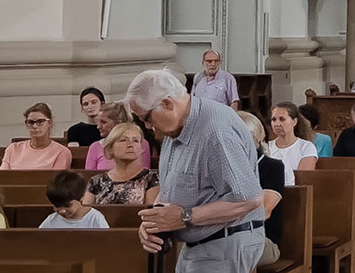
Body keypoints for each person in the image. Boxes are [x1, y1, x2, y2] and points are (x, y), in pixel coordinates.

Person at [126, 67, 269, 270]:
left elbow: (248, 199)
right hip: (200, 244)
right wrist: (155, 221)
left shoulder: (216, 130)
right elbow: (171, 187)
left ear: (167, 103)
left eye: (146, 118)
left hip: (225, 242)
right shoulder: (176, 129)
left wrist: (184, 216)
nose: (147, 126)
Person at [237, 113, 286, 270]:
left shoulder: (272, 167)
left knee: (227, 248)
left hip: (261, 238)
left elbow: (263, 211)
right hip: (224, 235)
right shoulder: (220, 165)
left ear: (253, 139)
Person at [84, 122, 160, 207]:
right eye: (124, 140)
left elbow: (151, 213)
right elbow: (85, 215)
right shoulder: (96, 181)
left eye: (135, 140)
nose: (130, 145)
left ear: (141, 149)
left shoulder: (152, 178)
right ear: (110, 149)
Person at [3, 102, 74, 170]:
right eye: (30, 122)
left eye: (40, 122)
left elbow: (57, 181)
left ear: (50, 123)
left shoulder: (61, 152)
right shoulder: (12, 149)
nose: (34, 126)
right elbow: (1, 177)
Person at [86, 103, 153, 171]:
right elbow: (88, 177)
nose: (98, 126)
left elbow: (144, 174)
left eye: (104, 122)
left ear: (118, 123)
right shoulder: (95, 147)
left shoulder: (141, 143)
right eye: (98, 122)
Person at [264, 105, 319, 183]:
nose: (277, 124)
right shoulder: (266, 147)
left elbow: (303, 177)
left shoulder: (306, 147)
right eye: (274, 119)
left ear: (294, 121)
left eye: (282, 119)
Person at [41, 170, 111, 229]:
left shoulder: (95, 219)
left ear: (82, 197)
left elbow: (106, 241)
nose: (62, 211)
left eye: (67, 205)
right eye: (57, 205)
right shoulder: (51, 221)